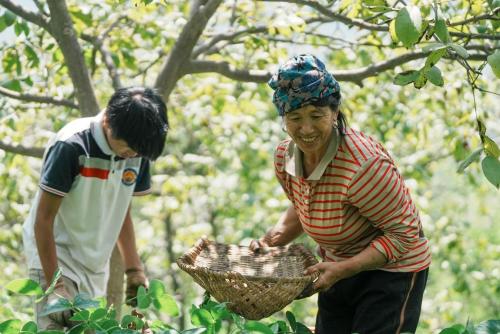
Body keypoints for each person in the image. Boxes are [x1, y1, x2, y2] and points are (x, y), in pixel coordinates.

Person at [250, 54, 430, 334]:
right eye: (295, 118)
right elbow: (305, 207)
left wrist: (346, 267)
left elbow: (403, 234)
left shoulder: (362, 165)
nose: (306, 129)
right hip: (336, 265)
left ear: (334, 112)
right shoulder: (285, 157)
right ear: (283, 119)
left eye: (316, 116)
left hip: (393, 270)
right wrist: (267, 243)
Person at [22, 87, 169, 330]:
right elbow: (44, 218)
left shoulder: (137, 150)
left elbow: (121, 211)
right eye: (128, 148)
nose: (131, 155)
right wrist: (55, 285)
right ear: (109, 121)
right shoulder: (72, 146)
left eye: (138, 152)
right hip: (55, 255)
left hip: (94, 265)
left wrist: (134, 269)